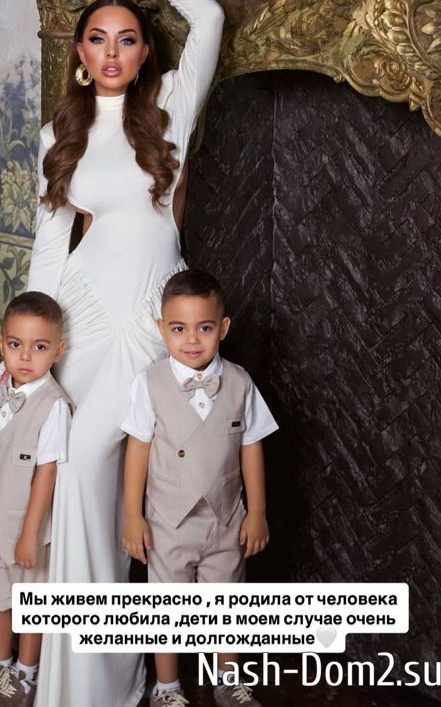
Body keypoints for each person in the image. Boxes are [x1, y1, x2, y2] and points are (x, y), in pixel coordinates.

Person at [26, 0, 225, 706]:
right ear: (80, 53)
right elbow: (49, 251)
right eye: (98, 40)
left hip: (149, 320)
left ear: (145, 55)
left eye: (128, 40)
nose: (112, 53)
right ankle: (93, 678)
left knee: (118, 481)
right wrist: (33, 348)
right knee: (75, 479)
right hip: (79, 316)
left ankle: (125, 672)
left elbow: (210, 19)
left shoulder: (170, 106)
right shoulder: (59, 135)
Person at [121, 269, 278, 707]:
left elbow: (251, 447)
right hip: (168, 521)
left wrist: (257, 511)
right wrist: (132, 515)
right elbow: (137, 451)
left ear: (223, 328)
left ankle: (228, 679)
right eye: (179, 329)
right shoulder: (149, 383)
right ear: (161, 329)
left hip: (226, 518)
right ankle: (167, 686)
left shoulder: (241, 383)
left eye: (204, 328)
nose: (192, 340)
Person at [0, 292, 70, 707]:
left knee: (29, 604)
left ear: (58, 350)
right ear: (1, 343)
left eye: (39, 347)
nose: (25, 356)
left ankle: (25, 676)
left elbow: (47, 473)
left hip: (28, 531)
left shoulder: (53, 406)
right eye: (15, 344)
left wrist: (30, 534)